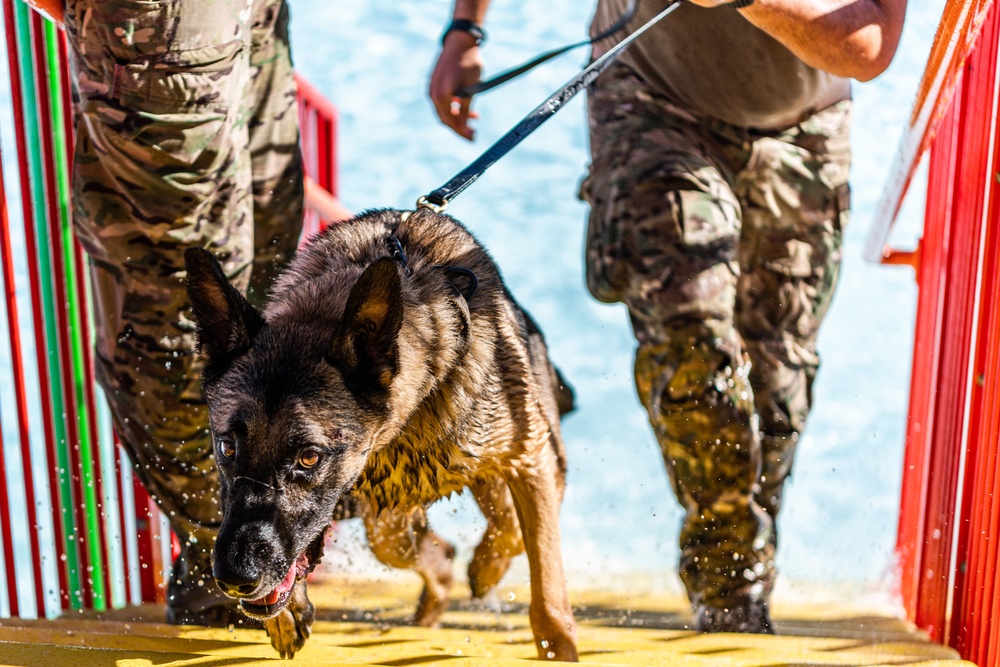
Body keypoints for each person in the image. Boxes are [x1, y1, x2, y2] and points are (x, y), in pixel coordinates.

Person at [429, 0, 906, 632]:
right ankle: (730, 596)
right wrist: (467, 28)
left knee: (778, 391)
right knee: (695, 345)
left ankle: (742, 563)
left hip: (806, 123)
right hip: (649, 93)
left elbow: (870, 46)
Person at [37, 0, 305, 623]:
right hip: (162, 28)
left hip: (217, 21)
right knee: (185, 317)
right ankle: (234, 559)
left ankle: (271, 542)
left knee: (266, 269)